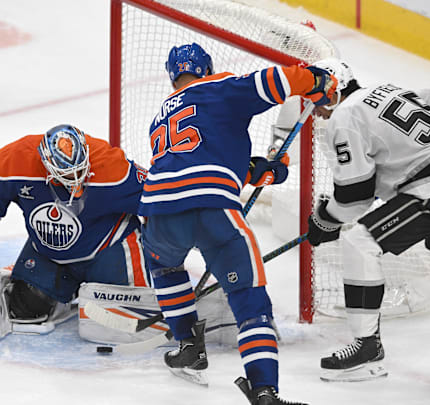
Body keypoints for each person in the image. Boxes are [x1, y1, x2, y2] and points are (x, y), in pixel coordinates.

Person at [138, 43, 336, 404]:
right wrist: (316, 79)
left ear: (172, 77)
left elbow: (194, 161)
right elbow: (273, 80)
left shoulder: (160, 118)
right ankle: (263, 390)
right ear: (208, 68)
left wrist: (256, 171)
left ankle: (187, 345)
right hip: (213, 209)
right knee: (249, 300)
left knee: (165, 268)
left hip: (157, 212)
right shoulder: (218, 86)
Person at [305, 58, 430, 382]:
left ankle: (366, 351)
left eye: (313, 99)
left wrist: (324, 221)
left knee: (360, 242)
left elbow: (355, 197)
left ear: (330, 91)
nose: (313, 110)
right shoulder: (382, 89)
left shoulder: (343, 119)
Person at [0, 124, 152, 340]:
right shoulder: (14, 161)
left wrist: (167, 254)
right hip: (49, 252)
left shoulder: (112, 166)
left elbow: (160, 201)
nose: (75, 184)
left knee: (124, 323)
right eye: (65, 176)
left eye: (80, 172)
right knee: (25, 310)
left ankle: (100, 284)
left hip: (106, 249)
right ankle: (59, 288)